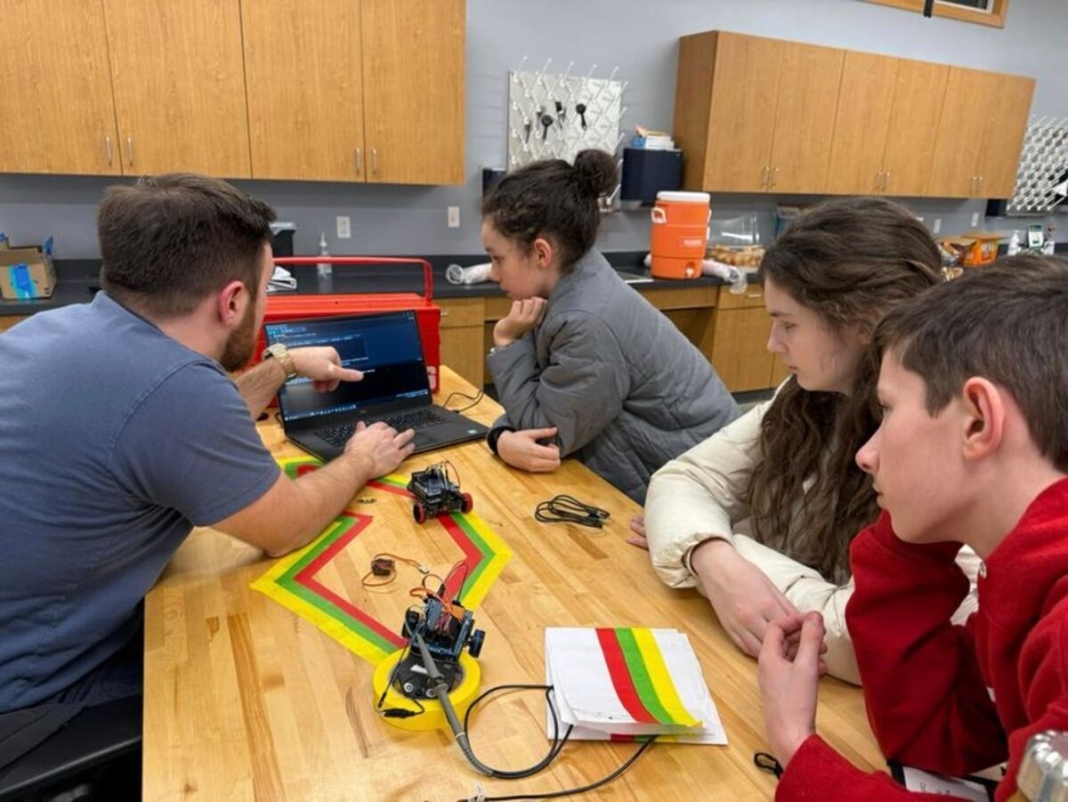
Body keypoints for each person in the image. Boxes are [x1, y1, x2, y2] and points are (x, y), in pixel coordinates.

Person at [0, 174, 414, 715]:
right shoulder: (176, 391)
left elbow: (168, 423)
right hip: (32, 691)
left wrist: (284, 364)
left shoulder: (50, 330)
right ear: (234, 301)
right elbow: (288, 527)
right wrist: (359, 460)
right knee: (293, 677)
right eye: (267, 288)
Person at [759, 255, 1068, 801]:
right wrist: (910, 539)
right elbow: (937, 733)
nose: (866, 454)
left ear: (978, 421)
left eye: (887, 410)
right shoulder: (1029, 574)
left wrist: (796, 745)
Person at [640, 197, 979, 683]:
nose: (772, 344)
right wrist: (713, 558)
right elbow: (682, 480)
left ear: (864, 323)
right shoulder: (806, 395)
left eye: (789, 324)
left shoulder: (939, 436)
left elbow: (853, 637)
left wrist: (721, 548)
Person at [480, 149, 739, 503]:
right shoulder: (574, 278)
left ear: (542, 253)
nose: (493, 273)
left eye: (497, 258)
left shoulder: (586, 321)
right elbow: (551, 401)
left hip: (699, 488)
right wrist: (503, 437)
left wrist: (507, 342)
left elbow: (545, 436)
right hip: (685, 466)